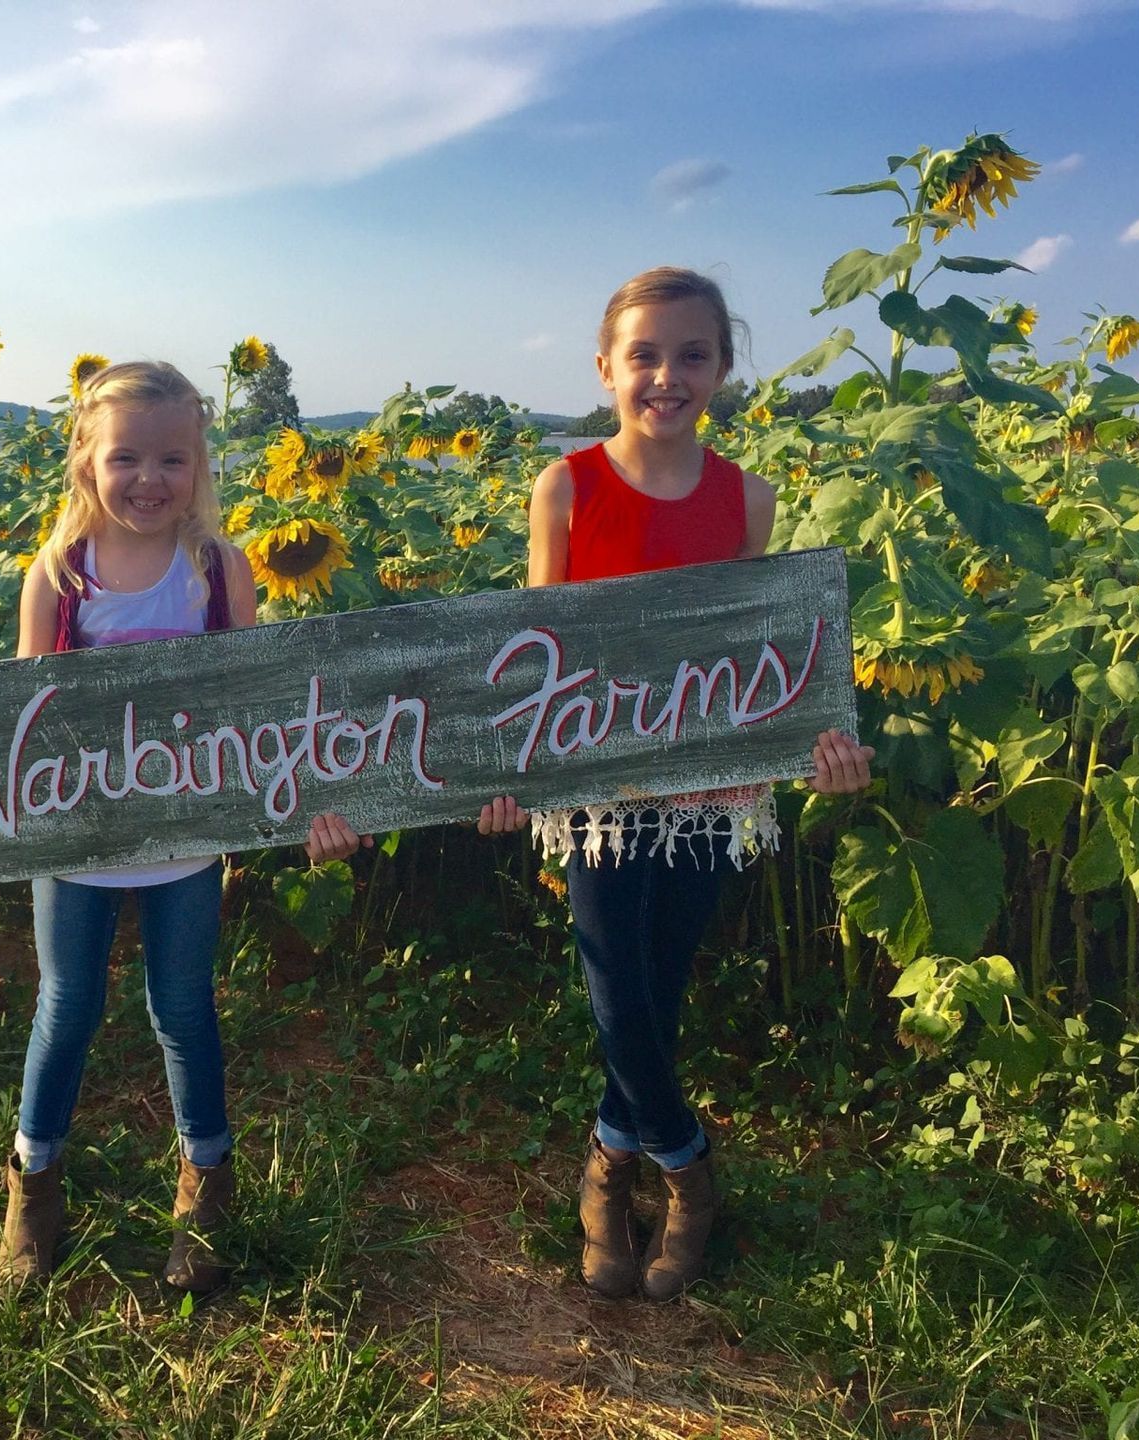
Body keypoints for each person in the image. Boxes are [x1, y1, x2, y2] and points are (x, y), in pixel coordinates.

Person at [478, 268, 874, 1302]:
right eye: (644, 356)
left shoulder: (750, 496)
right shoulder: (567, 486)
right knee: (616, 979)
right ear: (606, 368)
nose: (666, 376)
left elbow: (761, 656)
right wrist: (513, 771)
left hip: (708, 784)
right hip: (599, 784)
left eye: (691, 355)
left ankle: (609, 1158)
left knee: (662, 976)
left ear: (723, 370)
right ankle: (688, 1168)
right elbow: (537, 649)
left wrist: (818, 745)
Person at [0, 360, 366, 1290]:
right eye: (126, 456)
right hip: (78, 844)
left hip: (187, 843)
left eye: (172, 458)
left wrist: (316, 806)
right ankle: (33, 1188)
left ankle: (205, 1191)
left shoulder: (218, 570)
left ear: (200, 465)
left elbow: (258, 710)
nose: (149, 479)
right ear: (85, 459)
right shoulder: (59, 577)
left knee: (184, 1010)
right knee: (66, 1006)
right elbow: (21, 725)